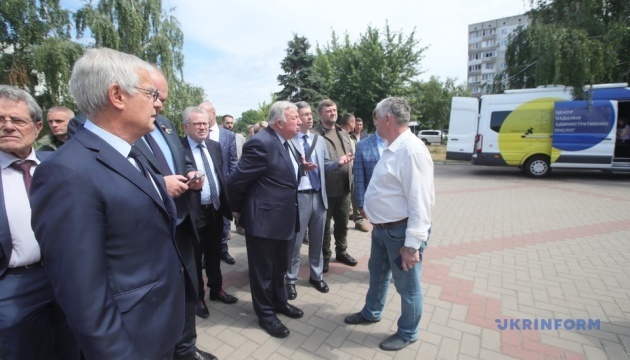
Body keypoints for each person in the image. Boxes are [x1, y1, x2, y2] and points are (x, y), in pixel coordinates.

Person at [30, 48, 191, 359]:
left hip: (158, 326)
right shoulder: (67, 172)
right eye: (151, 93)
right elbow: (82, 293)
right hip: (129, 341)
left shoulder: (132, 153)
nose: (158, 103)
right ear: (117, 95)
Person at [132, 68, 216, 360]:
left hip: (182, 226)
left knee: (187, 291)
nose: (159, 105)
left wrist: (189, 174)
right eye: (154, 96)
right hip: (151, 232)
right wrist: (159, 185)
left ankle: (186, 349)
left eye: (163, 99)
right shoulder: (121, 128)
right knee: (159, 300)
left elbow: (177, 166)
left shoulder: (165, 125)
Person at [344, 97, 434, 352]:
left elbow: (420, 203)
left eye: (376, 116)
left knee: (408, 285)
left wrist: (412, 245)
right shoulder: (394, 146)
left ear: (387, 119)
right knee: (377, 274)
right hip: (384, 229)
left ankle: (408, 332)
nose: (373, 123)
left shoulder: (411, 151)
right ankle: (371, 311)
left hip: (401, 233)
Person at [0, 85, 79, 360]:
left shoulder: (58, 163)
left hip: (66, 277)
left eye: (17, 120)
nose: (8, 126)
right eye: (0, 120)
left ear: (36, 127)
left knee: (72, 347)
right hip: (12, 286)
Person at [228, 101, 305, 338]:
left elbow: (284, 175)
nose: (300, 121)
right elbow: (235, 182)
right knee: (262, 273)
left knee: (279, 267)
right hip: (263, 222)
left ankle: (279, 302)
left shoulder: (287, 142)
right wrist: (240, 212)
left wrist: (302, 169)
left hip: (284, 218)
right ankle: (266, 315)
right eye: (295, 118)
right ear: (279, 122)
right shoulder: (260, 143)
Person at [286, 101, 354, 300]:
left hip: (319, 196)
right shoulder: (289, 141)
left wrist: (337, 163)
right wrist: (300, 168)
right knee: (296, 244)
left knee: (317, 241)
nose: (309, 117)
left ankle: (316, 276)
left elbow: (323, 165)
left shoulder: (319, 140)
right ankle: (290, 279)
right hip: (299, 198)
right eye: (304, 114)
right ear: (296, 118)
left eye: (309, 114)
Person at [181, 107, 238, 315]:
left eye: (205, 123)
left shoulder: (214, 146)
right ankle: (197, 298)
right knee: (195, 258)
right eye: (197, 124)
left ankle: (217, 289)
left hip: (214, 209)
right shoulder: (179, 148)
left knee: (214, 254)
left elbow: (220, 176)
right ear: (186, 126)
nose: (203, 127)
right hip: (193, 213)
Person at [312, 99, 358, 273]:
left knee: (342, 223)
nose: (333, 112)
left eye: (334, 110)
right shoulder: (314, 134)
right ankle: (324, 256)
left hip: (345, 188)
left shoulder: (343, 132)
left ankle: (342, 251)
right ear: (320, 114)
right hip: (324, 190)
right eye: (329, 110)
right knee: (324, 227)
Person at [199, 102, 237, 265]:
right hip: (204, 188)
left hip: (223, 187)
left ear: (213, 114)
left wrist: (230, 184)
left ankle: (223, 250)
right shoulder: (198, 133)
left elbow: (233, 161)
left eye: (204, 113)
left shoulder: (227, 135)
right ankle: (203, 254)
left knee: (224, 222)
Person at [340, 113, 369, 233]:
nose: (357, 125)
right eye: (354, 123)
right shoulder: (339, 136)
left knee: (356, 197)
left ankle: (359, 221)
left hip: (354, 172)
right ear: (351, 123)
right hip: (342, 173)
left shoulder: (352, 138)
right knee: (344, 200)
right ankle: (343, 222)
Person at [353, 116, 385, 218]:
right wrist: (361, 205)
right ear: (375, 120)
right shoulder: (363, 145)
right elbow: (358, 178)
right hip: (373, 201)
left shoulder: (399, 143)